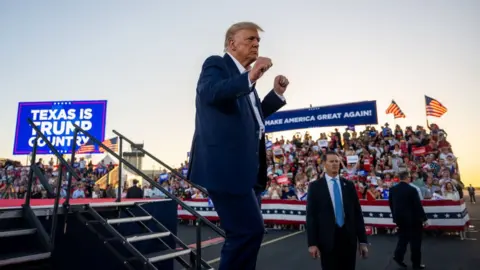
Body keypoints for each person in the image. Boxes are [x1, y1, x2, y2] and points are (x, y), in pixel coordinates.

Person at [187, 22, 289, 270]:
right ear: (232, 43)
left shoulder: (246, 84)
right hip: (226, 168)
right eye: (251, 39)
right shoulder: (216, 65)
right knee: (248, 232)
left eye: (258, 41)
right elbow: (209, 92)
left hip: (248, 171)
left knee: (246, 233)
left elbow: (254, 119)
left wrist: (275, 94)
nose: (256, 44)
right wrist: (251, 76)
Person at [306, 151, 368, 270]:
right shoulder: (315, 187)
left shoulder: (349, 185)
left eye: (337, 161)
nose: (334, 164)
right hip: (327, 240)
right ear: (324, 163)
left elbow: (357, 214)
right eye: (331, 161)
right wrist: (312, 243)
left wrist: (363, 241)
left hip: (348, 238)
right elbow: (311, 216)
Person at [389, 171, 427, 269]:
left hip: (400, 220)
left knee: (403, 239)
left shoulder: (393, 189)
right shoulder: (412, 190)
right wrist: (424, 219)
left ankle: (398, 256)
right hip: (413, 220)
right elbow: (417, 206)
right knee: (415, 243)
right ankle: (416, 264)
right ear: (407, 178)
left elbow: (391, 205)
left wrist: (395, 218)